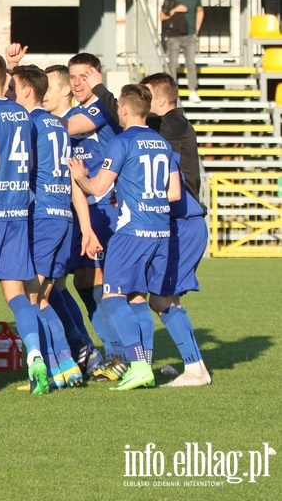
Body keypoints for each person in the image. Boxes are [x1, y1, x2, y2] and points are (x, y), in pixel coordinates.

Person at [69, 84, 181, 391]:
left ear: (125, 109)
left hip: (132, 232)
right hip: (160, 231)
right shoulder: (163, 144)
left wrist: (79, 175)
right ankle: (143, 364)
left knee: (112, 297)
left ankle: (140, 365)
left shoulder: (121, 142)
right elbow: (173, 193)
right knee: (136, 298)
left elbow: (98, 188)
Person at [11, 64, 96, 389]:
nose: (10, 96)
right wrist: (85, 227)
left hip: (42, 217)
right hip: (64, 218)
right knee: (43, 296)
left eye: (13, 89)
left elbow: (23, 168)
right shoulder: (60, 126)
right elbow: (73, 179)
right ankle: (67, 366)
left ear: (27, 90)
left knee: (31, 298)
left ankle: (54, 366)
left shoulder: (31, 124)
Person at [0, 52, 49, 395]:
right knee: (17, 293)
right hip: (19, 211)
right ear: (6, 79)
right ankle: (35, 357)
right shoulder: (23, 115)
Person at [138, 72, 211, 387]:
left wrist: (101, 91)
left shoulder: (174, 124)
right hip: (179, 222)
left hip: (184, 223)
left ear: (160, 98)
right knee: (167, 299)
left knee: (160, 299)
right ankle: (191, 363)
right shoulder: (169, 127)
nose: (141, 101)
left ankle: (196, 369)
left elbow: (132, 120)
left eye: (146, 95)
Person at [63, 53, 126, 380]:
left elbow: (71, 126)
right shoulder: (73, 110)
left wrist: (36, 116)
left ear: (97, 77)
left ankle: (121, 353)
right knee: (84, 281)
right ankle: (110, 350)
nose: (77, 82)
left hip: (107, 205)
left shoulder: (99, 106)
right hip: (86, 206)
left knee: (104, 282)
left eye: (83, 76)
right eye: (72, 76)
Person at [159, 0, 203, 102]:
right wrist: (175, 9)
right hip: (174, 35)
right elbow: (162, 16)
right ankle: (172, 93)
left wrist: (196, 30)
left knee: (191, 63)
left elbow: (200, 11)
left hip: (190, 35)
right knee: (173, 64)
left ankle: (193, 90)